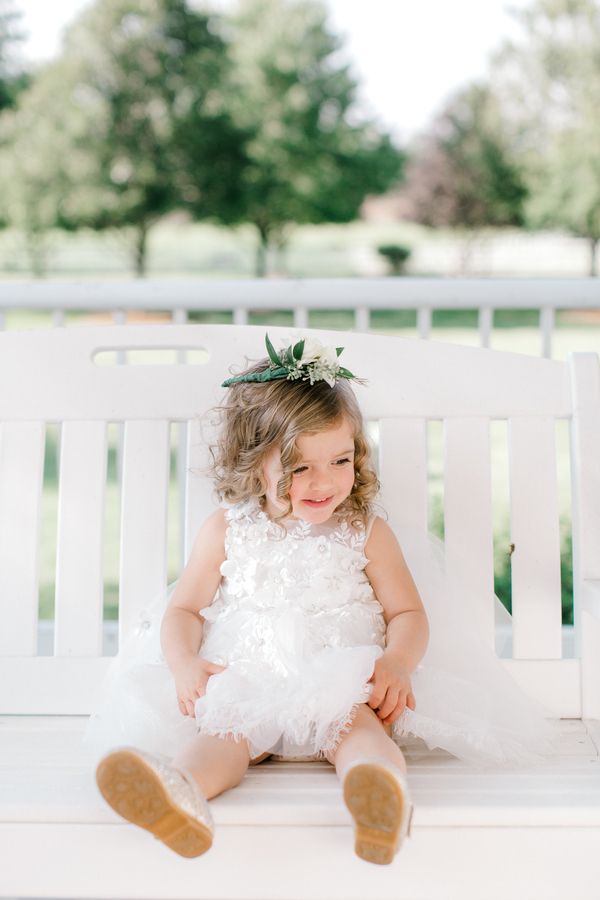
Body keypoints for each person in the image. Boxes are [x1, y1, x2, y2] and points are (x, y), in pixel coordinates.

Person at [86, 332, 559, 866]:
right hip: (250, 679)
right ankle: (180, 793)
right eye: (298, 468)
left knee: (359, 731)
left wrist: (397, 662)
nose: (323, 482)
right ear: (254, 463)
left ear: (357, 454)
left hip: (342, 680)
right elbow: (185, 609)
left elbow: (407, 612)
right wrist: (183, 662)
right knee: (223, 734)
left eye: (339, 461)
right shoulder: (227, 529)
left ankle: (377, 796)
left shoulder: (364, 531)